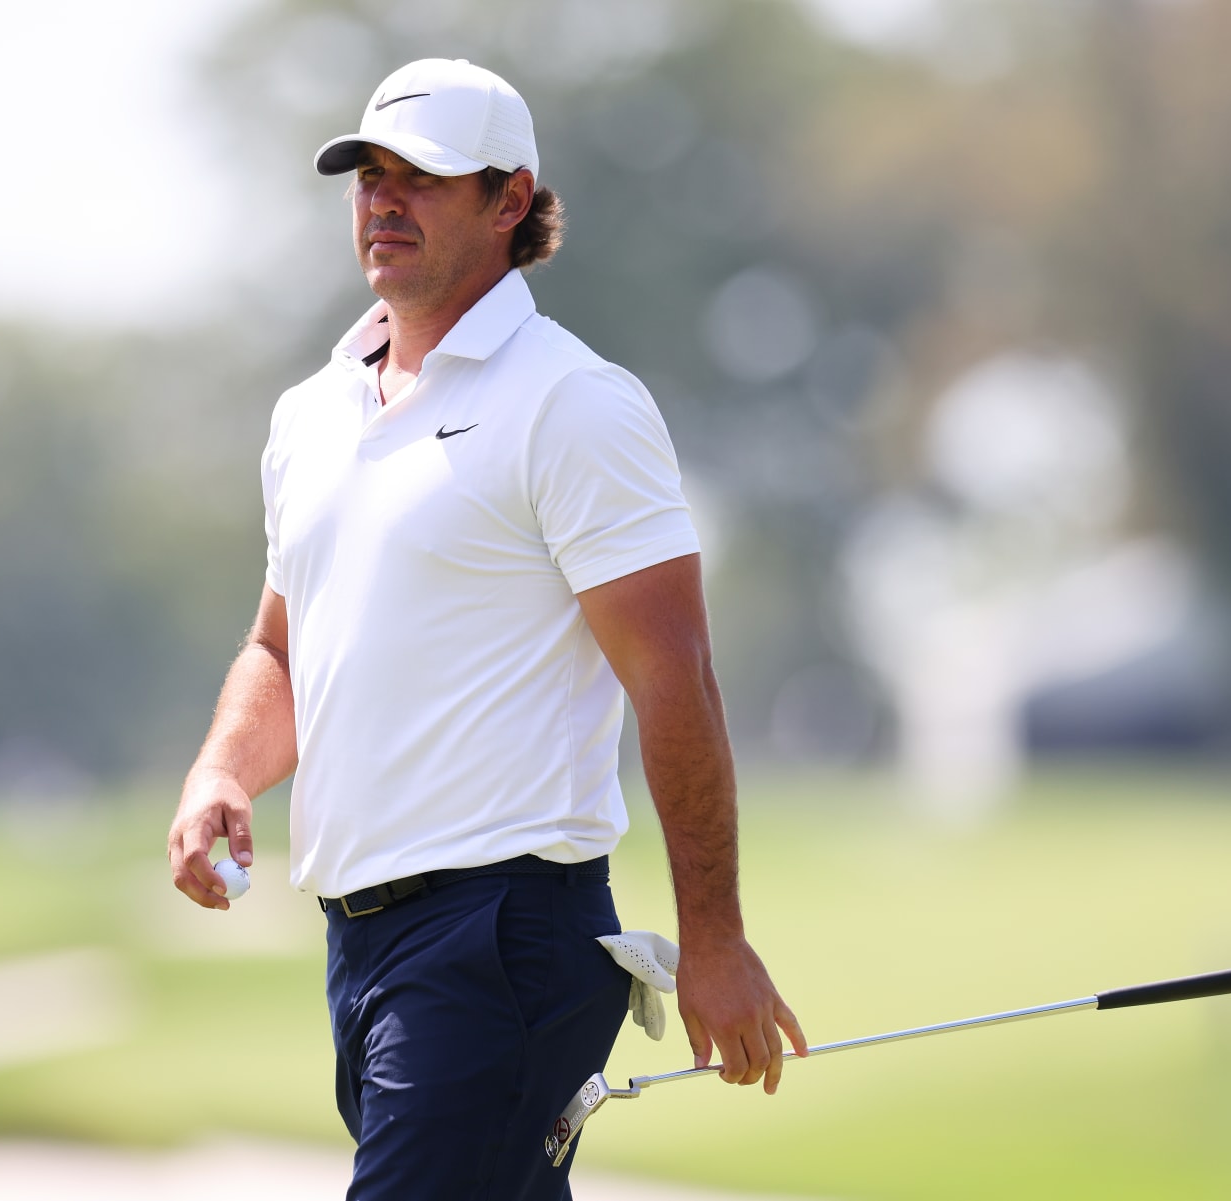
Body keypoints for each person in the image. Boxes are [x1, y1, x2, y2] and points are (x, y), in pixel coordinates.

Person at [168, 57, 807, 1200]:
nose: (381, 200)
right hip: (362, 946)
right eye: (367, 174)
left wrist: (713, 937)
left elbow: (676, 678)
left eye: (421, 178)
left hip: (503, 937)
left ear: (511, 200)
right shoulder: (310, 414)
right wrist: (224, 766)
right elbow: (281, 647)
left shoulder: (571, 402)